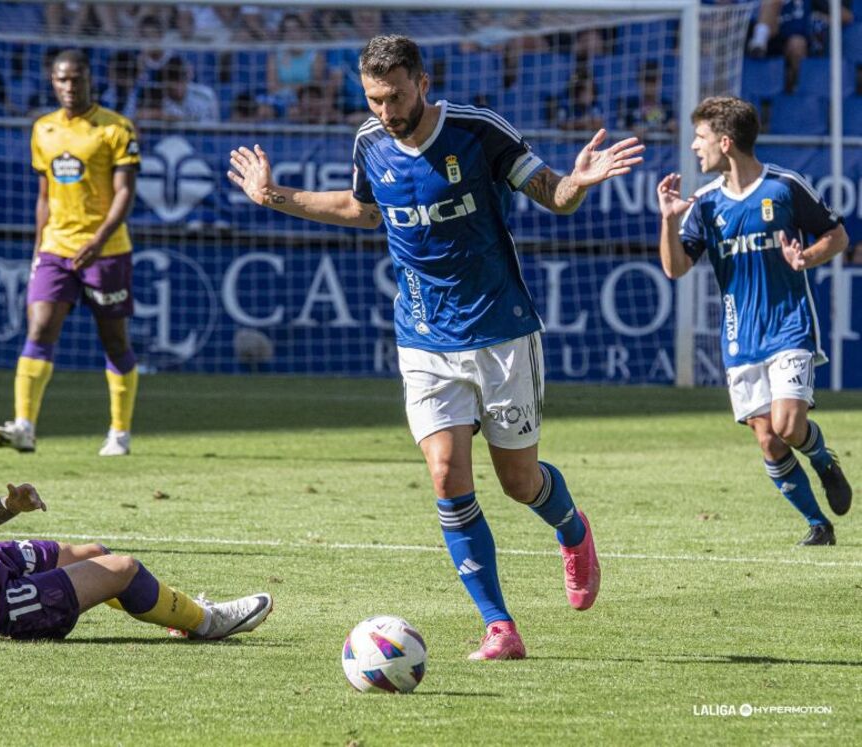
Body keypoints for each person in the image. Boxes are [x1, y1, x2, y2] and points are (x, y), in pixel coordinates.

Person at [228, 35, 644, 661]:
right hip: (423, 338)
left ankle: (572, 528)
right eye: (374, 98)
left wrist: (578, 182)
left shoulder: (478, 131)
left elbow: (552, 194)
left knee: (518, 480)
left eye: (395, 96)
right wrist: (273, 196)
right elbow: (363, 211)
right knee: (448, 478)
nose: (386, 110)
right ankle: (499, 626)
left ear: (423, 81)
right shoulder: (370, 142)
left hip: (502, 332)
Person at [0, 368, 273, 641]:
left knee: (95, 553)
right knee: (124, 569)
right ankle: (205, 623)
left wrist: (10, 505)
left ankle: (176, 615)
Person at [657, 96, 852, 546]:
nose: (693, 147)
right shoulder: (704, 203)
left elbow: (836, 235)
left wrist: (806, 257)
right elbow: (676, 268)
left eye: (700, 137)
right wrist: (668, 221)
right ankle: (818, 525)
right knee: (769, 441)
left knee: (787, 425)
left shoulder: (784, 186)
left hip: (789, 325)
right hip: (739, 336)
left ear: (725, 143)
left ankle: (823, 460)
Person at [0, 49, 141, 457]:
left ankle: (119, 432)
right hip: (56, 247)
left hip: (106, 251)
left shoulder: (116, 128)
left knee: (113, 340)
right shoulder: (43, 130)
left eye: (76, 78)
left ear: (89, 78)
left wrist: (99, 238)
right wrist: (39, 248)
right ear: (52, 82)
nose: (69, 86)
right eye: (62, 79)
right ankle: (24, 426)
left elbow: (125, 194)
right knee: (38, 329)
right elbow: (45, 195)